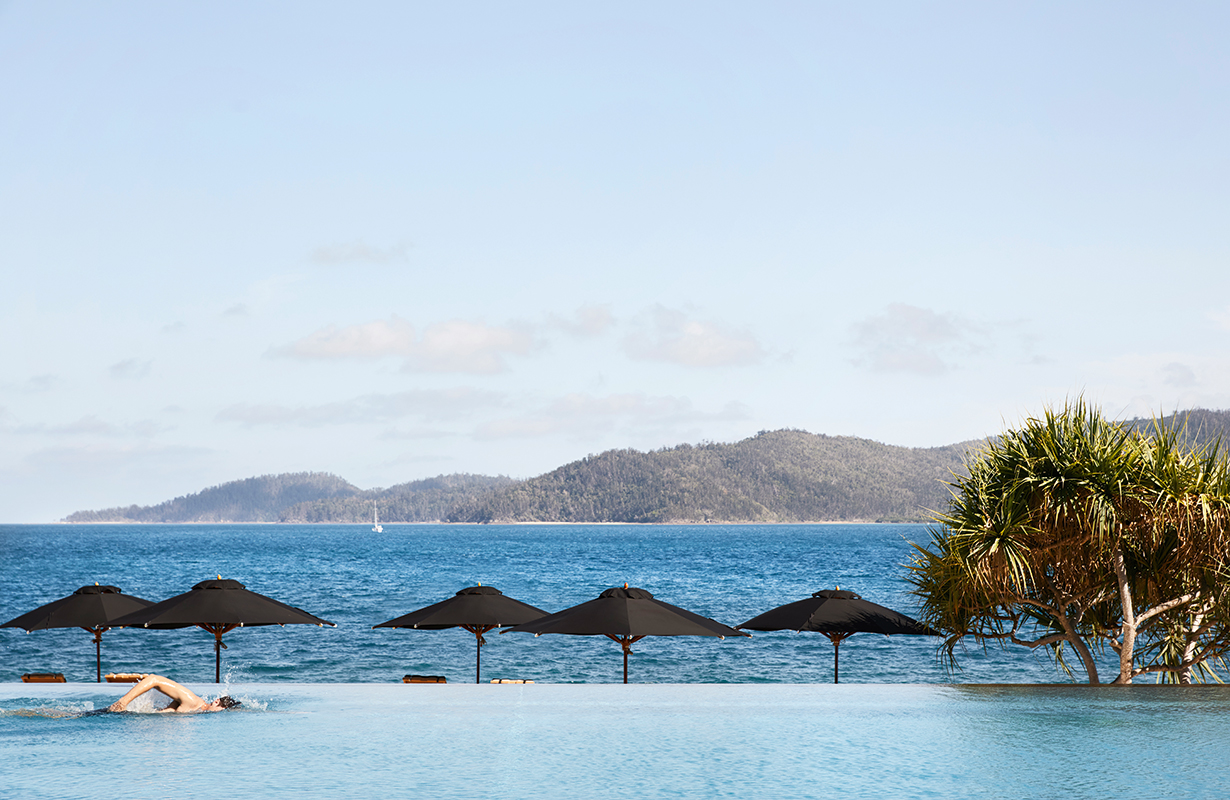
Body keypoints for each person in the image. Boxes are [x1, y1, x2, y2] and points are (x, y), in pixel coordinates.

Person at [107, 674, 241, 713]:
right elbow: (154, 679)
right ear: (216, 701)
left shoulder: (196, 711)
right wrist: (123, 703)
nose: (214, 715)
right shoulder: (192, 700)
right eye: (217, 711)